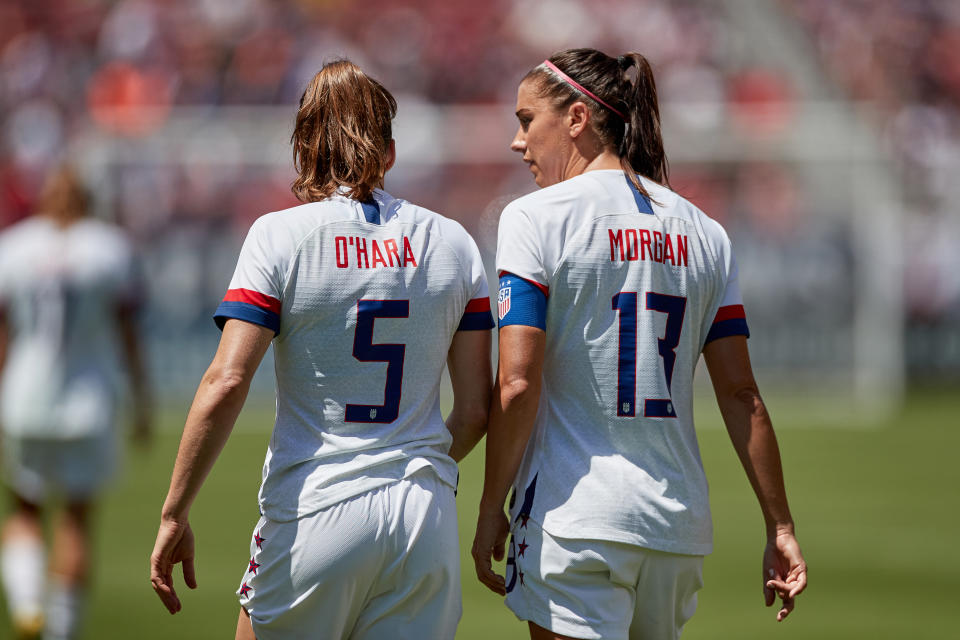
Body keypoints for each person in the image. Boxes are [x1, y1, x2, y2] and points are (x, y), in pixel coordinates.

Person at [149, 59, 494, 640]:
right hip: (423, 513)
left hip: (316, 508)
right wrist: (404, 467)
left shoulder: (279, 235)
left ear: (304, 145)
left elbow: (226, 381)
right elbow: (477, 409)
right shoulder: (454, 241)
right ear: (389, 151)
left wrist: (173, 511)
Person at [471, 48, 807, 640]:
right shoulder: (706, 233)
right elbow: (742, 393)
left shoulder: (535, 218)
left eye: (526, 121)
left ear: (577, 118)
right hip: (675, 529)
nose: (517, 143)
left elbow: (517, 382)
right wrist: (779, 525)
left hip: (572, 521)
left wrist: (488, 504)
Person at [0, 165, 152, 640]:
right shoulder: (111, 249)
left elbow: (4, 337)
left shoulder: (14, 246)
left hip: (25, 394)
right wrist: (141, 401)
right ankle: (59, 631)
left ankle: (27, 608)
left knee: (24, 509)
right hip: (88, 400)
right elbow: (129, 336)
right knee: (76, 519)